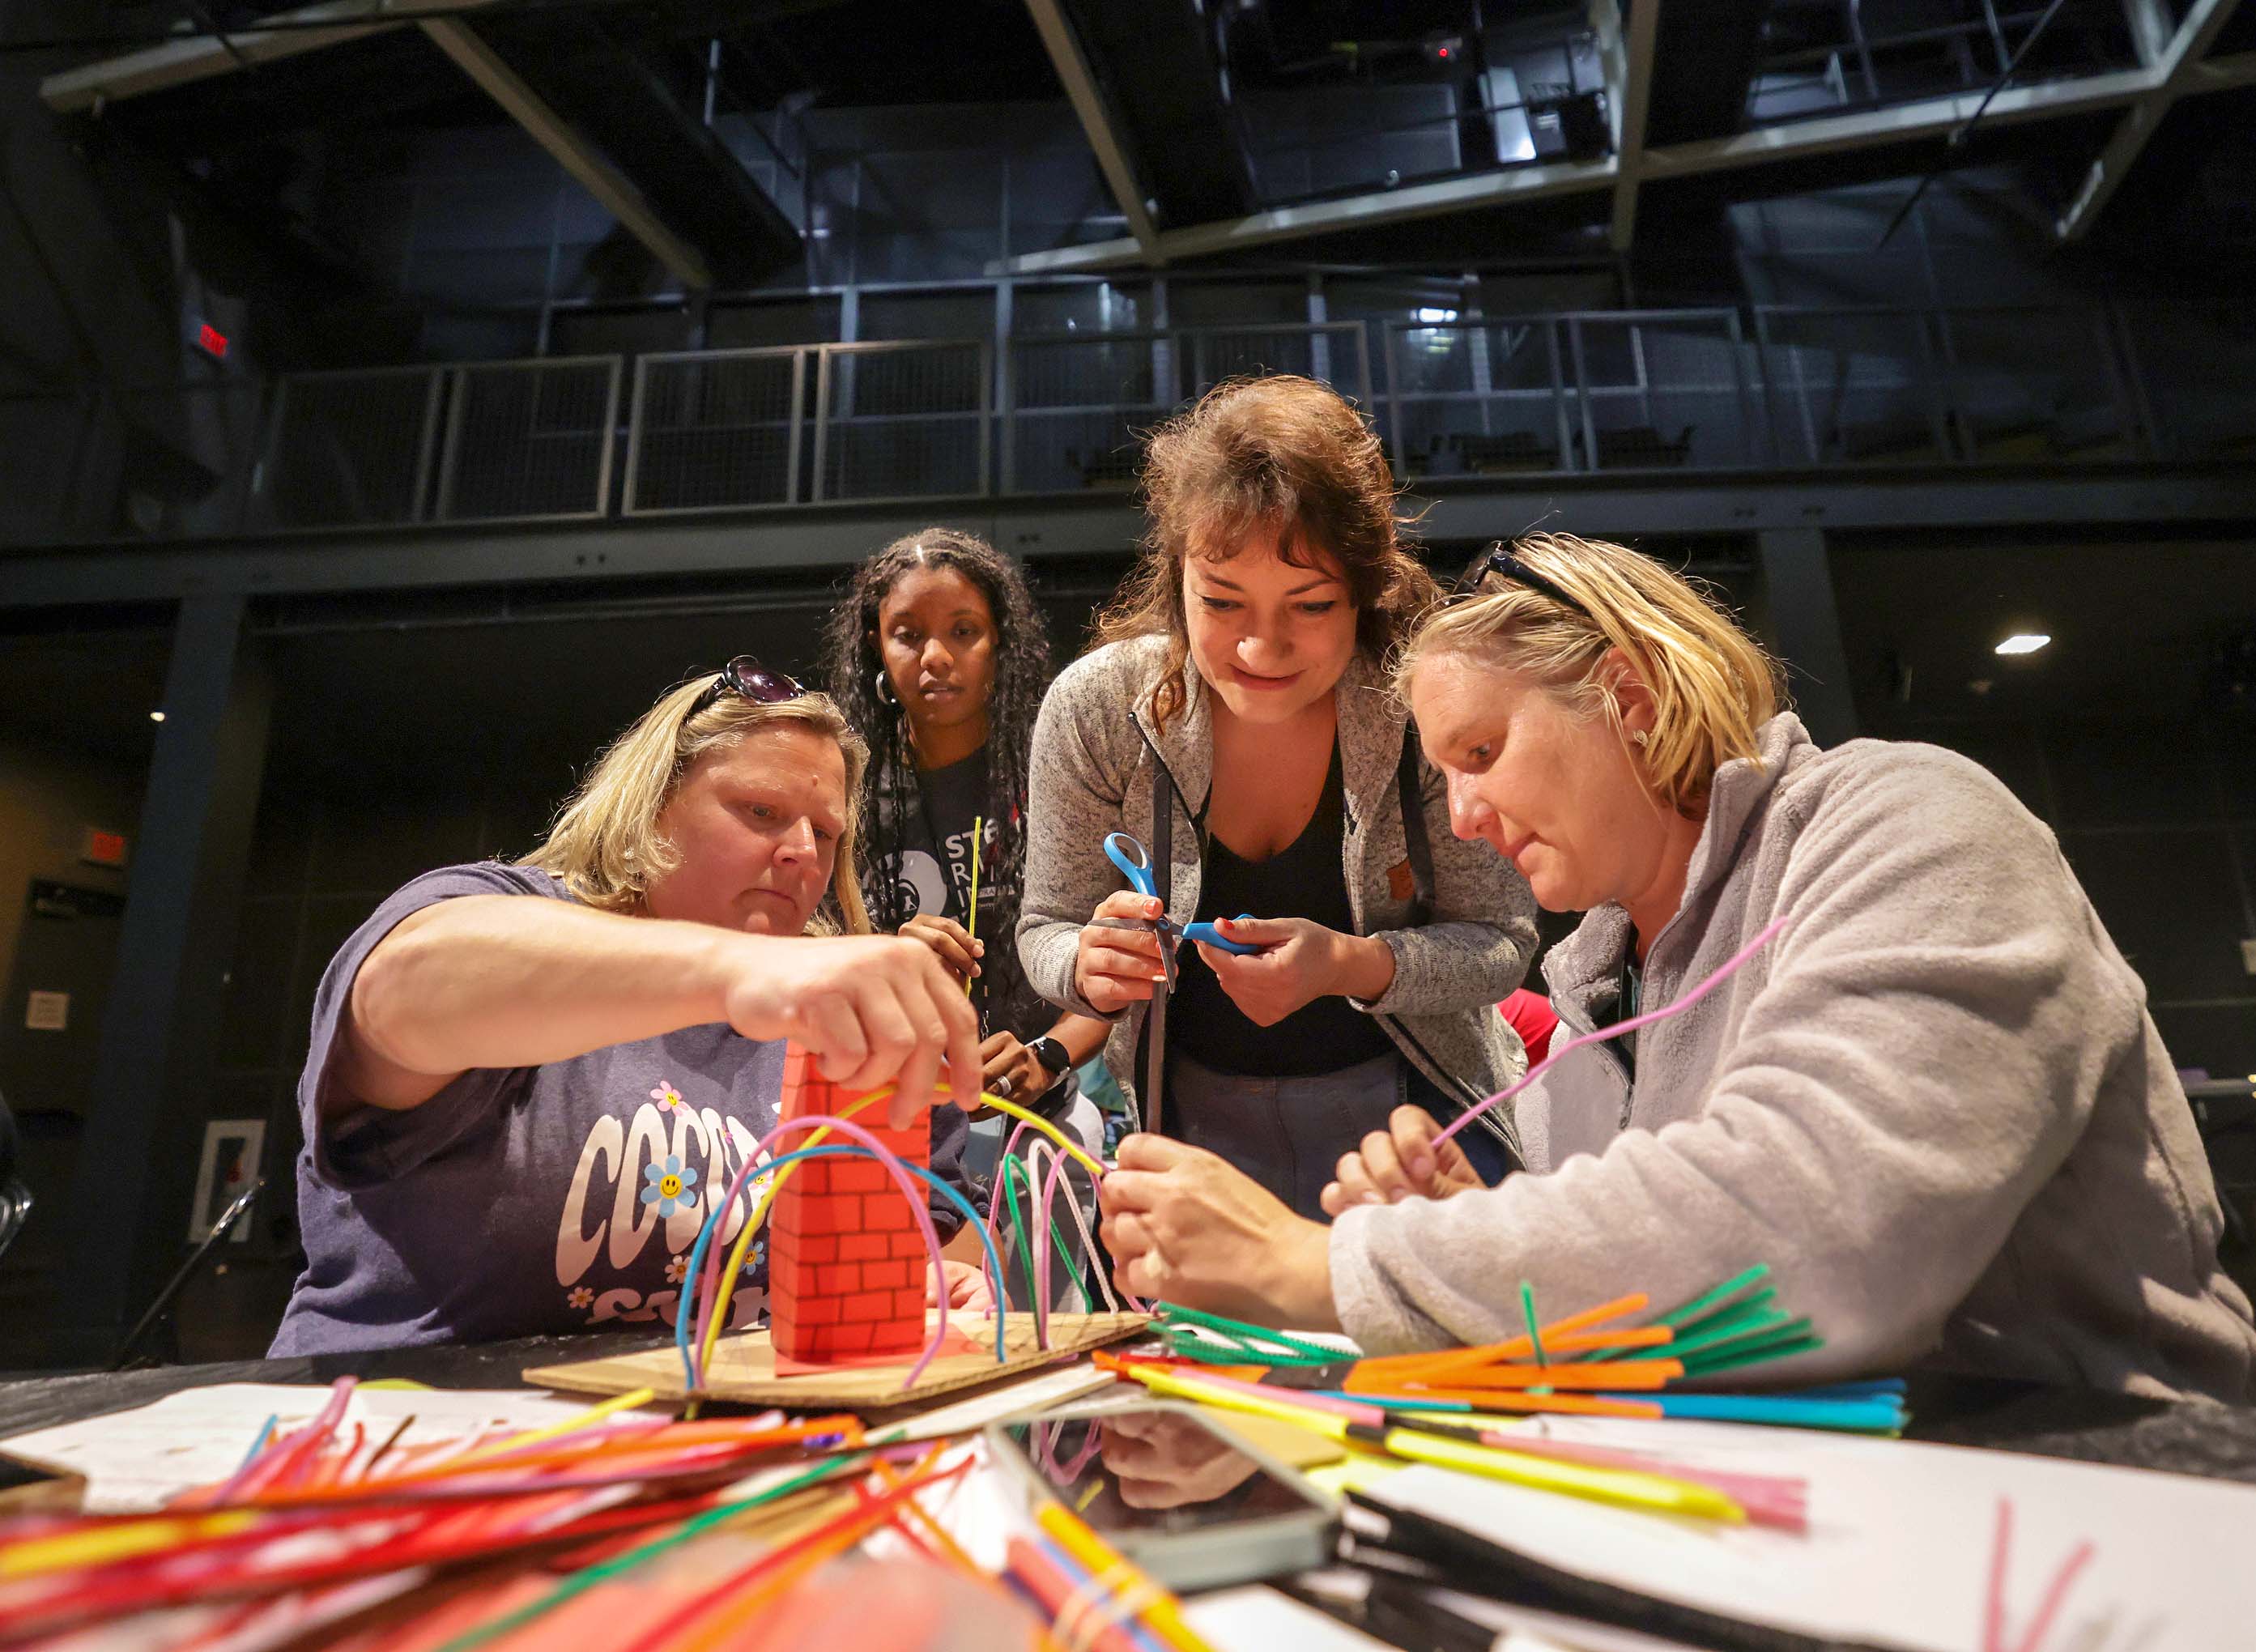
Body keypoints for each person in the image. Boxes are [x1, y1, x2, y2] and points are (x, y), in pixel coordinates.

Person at [1096, 534, 2256, 1405]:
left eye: (1482, 753)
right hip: (1848, 1497)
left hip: (2130, 1487)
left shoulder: (1906, 819)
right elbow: (1662, 1289)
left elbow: (1833, 1231)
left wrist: (1322, 1262)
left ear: (1628, 695)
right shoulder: (1591, 994)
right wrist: (1489, 1245)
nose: (1459, 819)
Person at [270, 661, 982, 1356]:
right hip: (408, 1432)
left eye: (826, 833)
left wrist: (931, 1281)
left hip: (710, 1445)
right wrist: (738, 967)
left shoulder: (835, 1010)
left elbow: (949, 1244)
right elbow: (400, 990)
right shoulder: (519, 912)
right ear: (651, 808)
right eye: (760, 812)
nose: (803, 852)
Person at [1018, 374, 1535, 1220]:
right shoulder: (1100, 709)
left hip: (1416, 1131)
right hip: (1188, 1131)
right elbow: (1047, 928)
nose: (1263, 645)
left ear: (1367, 590)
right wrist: (1089, 963)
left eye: (1312, 604)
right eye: (1222, 602)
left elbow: (1503, 942)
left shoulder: (1424, 709)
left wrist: (1351, 967)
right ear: (1176, 577)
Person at [826, 528, 1111, 1308]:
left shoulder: (1052, 775)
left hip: (1043, 1125)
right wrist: (883, 956)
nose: (935, 658)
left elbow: (1114, 963)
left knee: (1034, 1366)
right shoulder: (847, 795)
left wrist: (1050, 1052)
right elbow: (807, 963)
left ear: (1001, 644)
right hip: (894, 1131)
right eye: (907, 635)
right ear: (876, 652)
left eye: (963, 632)